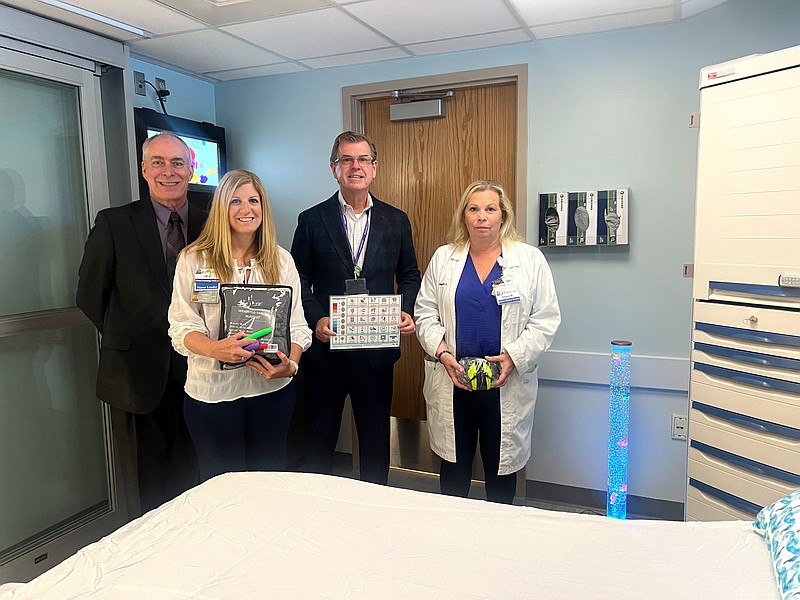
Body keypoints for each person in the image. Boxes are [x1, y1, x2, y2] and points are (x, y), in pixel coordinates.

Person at [76, 132, 206, 515]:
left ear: (192, 169)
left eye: (178, 162)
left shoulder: (210, 222)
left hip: (198, 365)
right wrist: (128, 335)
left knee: (195, 466)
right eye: (159, 162)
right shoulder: (115, 223)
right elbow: (90, 295)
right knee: (146, 478)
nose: (169, 171)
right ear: (144, 169)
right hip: (135, 372)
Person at [414, 180, 561, 504]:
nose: (482, 216)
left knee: (501, 470)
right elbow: (424, 312)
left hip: (504, 384)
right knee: (454, 467)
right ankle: (454, 537)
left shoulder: (529, 260)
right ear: (464, 216)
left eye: (490, 209)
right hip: (455, 380)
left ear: (503, 215)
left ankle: (499, 541)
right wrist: (442, 352)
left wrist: (513, 356)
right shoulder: (444, 258)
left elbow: (546, 318)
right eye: (474, 209)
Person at [290, 131, 421, 485]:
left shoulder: (396, 220)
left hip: (376, 354)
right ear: (335, 169)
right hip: (326, 352)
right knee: (320, 439)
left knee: (376, 441)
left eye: (363, 159)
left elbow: (409, 275)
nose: (355, 166)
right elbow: (297, 279)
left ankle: (374, 510)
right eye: (346, 160)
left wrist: (406, 310)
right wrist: (316, 318)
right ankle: (317, 508)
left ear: (374, 169)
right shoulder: (312, 220)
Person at [168, 169, 312, 481]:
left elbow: (298, 325)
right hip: (213, 395)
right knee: (222, 489)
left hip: (272, 391)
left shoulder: (282, 260)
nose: (246, 209)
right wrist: (214, 349)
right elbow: (181, 326)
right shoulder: (195, 260)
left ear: (263, 208)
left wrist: (293, 365)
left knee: (269, 484)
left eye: (253, 200)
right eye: (235, 201)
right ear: (221, 207)